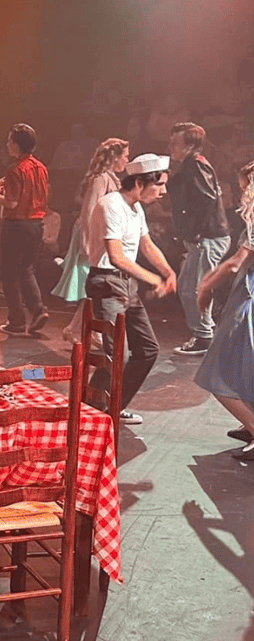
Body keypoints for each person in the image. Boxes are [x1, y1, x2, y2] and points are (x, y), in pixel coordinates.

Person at [85, 153, 177, 425]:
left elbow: (146, 245)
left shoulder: (136, 208)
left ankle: (114, 406)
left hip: (126, 284)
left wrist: (169, 271)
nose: (163, 191)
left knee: (147, 349)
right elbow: (116, 256)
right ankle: (91, 407)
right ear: (139, 182)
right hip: (107, 282)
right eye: (159, 184)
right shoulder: (111, 204)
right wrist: (153, 279)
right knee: (117, 357)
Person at [193, 160, 254, 460]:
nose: (242, 195)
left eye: (246, 189)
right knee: (245, 365)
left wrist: (206, 285)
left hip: (248, 301)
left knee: (218, 374)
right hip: (246, 294)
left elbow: (235, 263)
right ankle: (249, 422)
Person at [53, 138, 130, 342]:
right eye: (125, 156)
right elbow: (88, 211)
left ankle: (82, 328)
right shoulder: (100, 178)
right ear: (114, 157)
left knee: (97, 285)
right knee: (95, 284)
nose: (127, 160)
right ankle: (75, 328)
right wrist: (86, 242)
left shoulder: (111, 178)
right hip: (92, 234)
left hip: (103, 235)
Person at [167, 122, 231, 356]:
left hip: (207, 237)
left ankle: (204, 336)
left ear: (190, 144)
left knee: (195, 287)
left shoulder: (194, 164)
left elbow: (206, 199)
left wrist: (194, 233)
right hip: (204, 236)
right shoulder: (190, 165)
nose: (171, 147)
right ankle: (203, 333)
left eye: (176, 143)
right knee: (187, 287)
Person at [0, 123, 51, 335]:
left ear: (18, 145)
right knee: (27, 269)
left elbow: (11, 204)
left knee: (9, 274)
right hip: (36, 225)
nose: (8, 145)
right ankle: (38, 310)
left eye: (10, 141)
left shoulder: (15, 170)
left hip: (16, 225)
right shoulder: (41, 167)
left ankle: (16, 321)